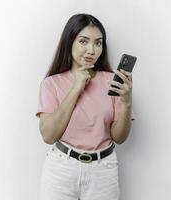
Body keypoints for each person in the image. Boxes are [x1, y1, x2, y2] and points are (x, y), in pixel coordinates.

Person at [35, 13, 135, 200]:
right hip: (61, 169)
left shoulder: (111, 81)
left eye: (98, 43)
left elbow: (119, 137)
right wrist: (76, 88)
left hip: (103, 171)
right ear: (69, 42)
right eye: (83, 42)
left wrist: (126, 102)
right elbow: (49, 136)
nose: (91, 50)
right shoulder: (52, 84)